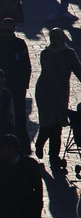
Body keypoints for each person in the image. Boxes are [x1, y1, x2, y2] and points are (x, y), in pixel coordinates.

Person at [34, 28, 81, 168]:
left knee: (57, 125)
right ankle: (40, 143)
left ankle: (54, 158)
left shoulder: (69, 53)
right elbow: (48, 73)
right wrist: (57, 87)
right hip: (46, 92)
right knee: (48, 123)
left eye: (57, 38)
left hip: (60, 93)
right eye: (52, 37)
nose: (54, 41)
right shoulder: (46, 54)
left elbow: (78, 70)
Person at [0, 18, 31, 149]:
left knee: (19, 116)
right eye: (3, 31)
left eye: (9, 31)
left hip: (16, 88)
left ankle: (22, 146)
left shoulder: (20, 44)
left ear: (14, 30)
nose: (6, 34)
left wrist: (23, 85)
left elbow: (26, 66)